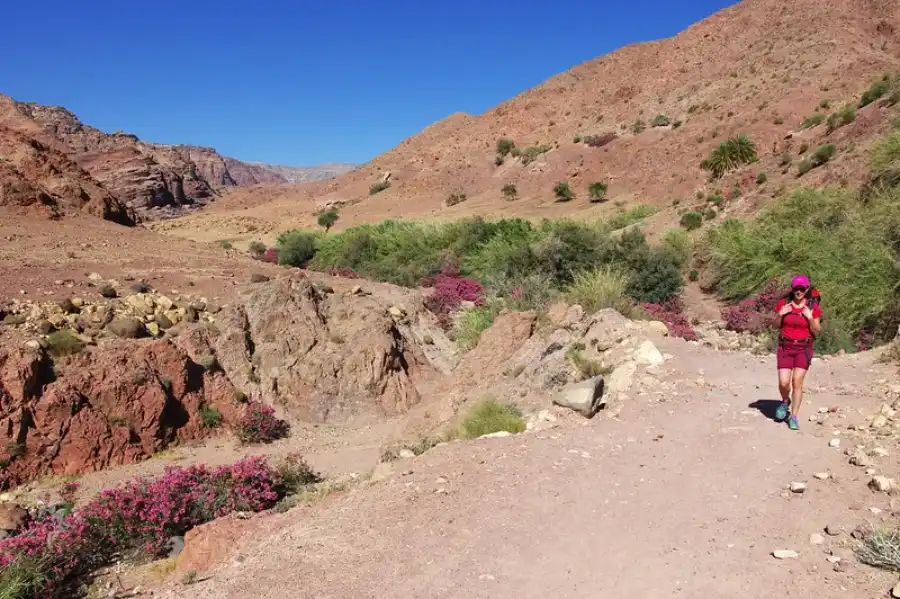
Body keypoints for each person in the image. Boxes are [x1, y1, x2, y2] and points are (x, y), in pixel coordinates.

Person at [773, 275, 822, 430]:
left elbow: (817, 331)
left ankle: (794, 416)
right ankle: (785, 401)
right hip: (785, 347)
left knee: (797, 382)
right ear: (792, 289)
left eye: (802, 289)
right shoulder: (784, 304)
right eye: (796, 288)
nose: (799, 291)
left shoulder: (813, 307)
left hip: (803, 348)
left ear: (807, 289)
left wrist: (810, 318)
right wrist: (780, 314)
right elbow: (775, 326)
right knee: (783, 382)